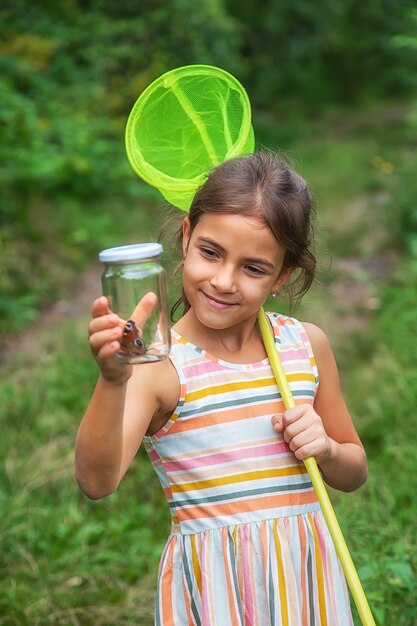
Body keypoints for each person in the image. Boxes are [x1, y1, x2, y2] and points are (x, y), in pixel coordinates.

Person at [75, 151, 368, 625]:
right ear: (187, 236)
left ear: (283, 276)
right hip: (216, 594)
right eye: (211, 252)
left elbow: (354, 470)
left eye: (254, 268)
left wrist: (329, 450)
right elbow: (96, 481)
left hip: (305, 582)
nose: (224, 281)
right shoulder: (161, 367)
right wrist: (112, 382)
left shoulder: (305, 346)